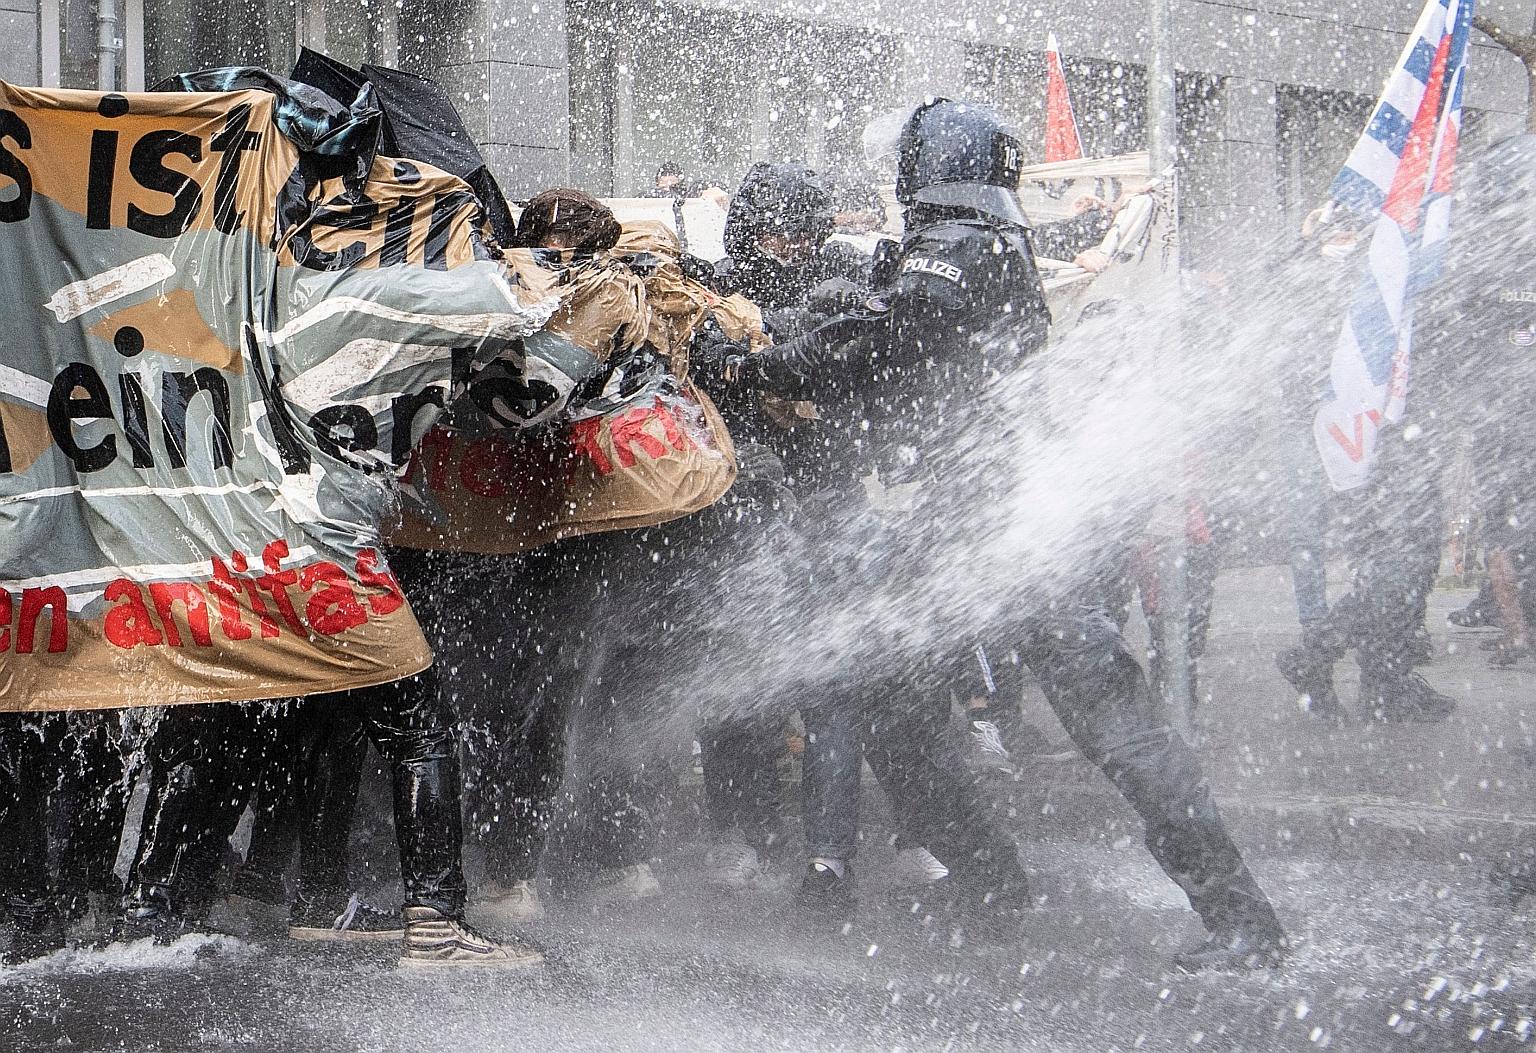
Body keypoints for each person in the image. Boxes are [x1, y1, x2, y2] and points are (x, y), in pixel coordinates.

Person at [708, 98, 1288, 971]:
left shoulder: (958, 246)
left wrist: (757, 363)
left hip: (1005, 535)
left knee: (1113, 725)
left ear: (930, 166)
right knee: (899, 715)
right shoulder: (982, 243)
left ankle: (1238, 915)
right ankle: (989, 878)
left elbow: (876, 340)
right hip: (961, 530)